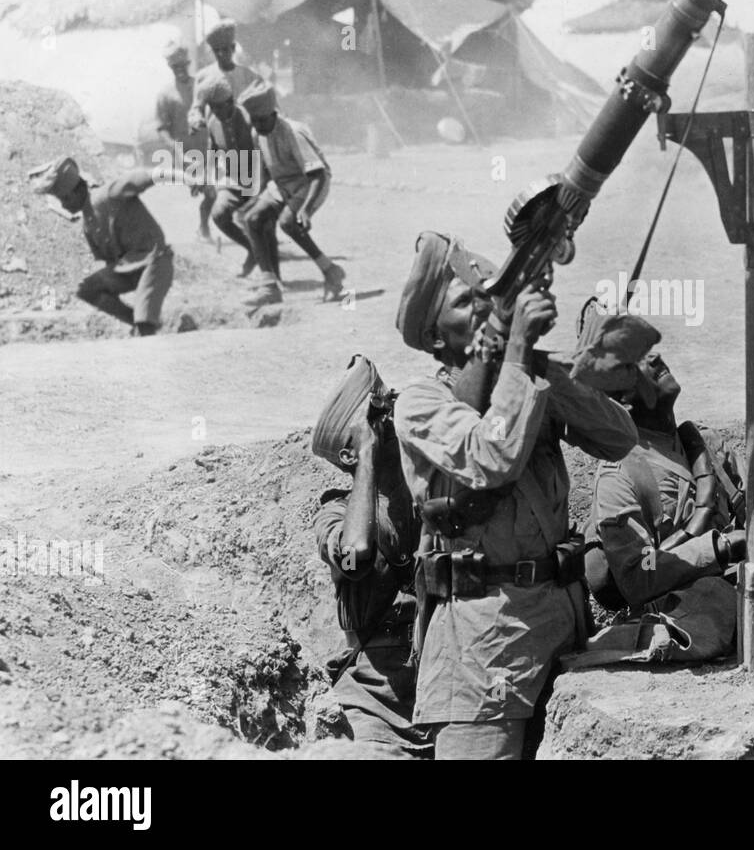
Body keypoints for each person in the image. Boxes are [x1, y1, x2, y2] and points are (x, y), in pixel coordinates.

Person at [391, 231, 639, 759]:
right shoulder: (418, 403)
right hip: (483, 646)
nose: (486, 314)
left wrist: (539, 366)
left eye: (490, 302)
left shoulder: (528, 378)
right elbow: (490, 458)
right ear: (436, 338)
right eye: (466, 303)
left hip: (561, 623)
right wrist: (519, 354)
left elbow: (619, 437)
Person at [585, 337, 754, 628]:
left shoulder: (704, 444)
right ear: (622, 403)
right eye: (637, 362)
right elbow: (637, 575)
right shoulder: (619, 476)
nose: (655, 357)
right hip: (679, 618)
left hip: (745, 597)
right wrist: (721, 547)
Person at [310, 354, 433, 758]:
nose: (388, 421)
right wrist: (367, 454)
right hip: (373, 709)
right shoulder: (337, 514)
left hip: (442, 696)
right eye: (375, 417)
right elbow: (354, 557)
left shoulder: (428, 487)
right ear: (347, 455)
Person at [28, 157, 174, 336]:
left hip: (154, 263)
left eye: (64, 199)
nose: (64, 205)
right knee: (89, 289)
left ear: (75, 192)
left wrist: (192, 179)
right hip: (129, 268)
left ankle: (144, 326)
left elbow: (149, 176)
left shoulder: (109, 194)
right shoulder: (88, 224)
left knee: (144, 320)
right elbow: (105, 264)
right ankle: (138, 325)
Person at [238, 82, 346, 300]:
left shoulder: (293, 132)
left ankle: (330, 270)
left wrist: (305, 210)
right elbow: (267, 172)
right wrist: (254, 197)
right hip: (283, 186)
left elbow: (317, 174)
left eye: (261, 120)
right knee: (252, 219)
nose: (257, 125)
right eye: (254, 120)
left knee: (288, 222)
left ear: (273, 113)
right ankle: (269, 286)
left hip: (310, 184)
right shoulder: (257, 133)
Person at [193, 75, 274, 289]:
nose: (218, 112)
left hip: (260, 178)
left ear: (231, 101)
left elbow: (265, 153)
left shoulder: (248, 118)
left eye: (221, 107)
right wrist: (205, 175)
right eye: (213, 107)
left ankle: (273, 276)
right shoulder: (213, 122)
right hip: (234, 179)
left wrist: (262, 188)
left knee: (262, 221)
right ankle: (252, 251)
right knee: (219, 215)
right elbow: (213, 150)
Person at [155, 38, 215, 240]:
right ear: (170, 67)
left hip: (209, 148)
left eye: (183, 65)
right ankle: (203, 228)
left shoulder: (200, 85)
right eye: (175, 67)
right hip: (187, 154)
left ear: (188, 64)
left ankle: (207, 226)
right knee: (210, 191)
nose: (180, 70)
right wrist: (176, 149)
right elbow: (162, 128)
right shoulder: (165, 94)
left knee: (222, 189)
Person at [187, 19, 263, 133]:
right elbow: (196, 107)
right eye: (217, 51)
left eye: (225, 49)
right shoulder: (204, 77)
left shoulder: (249, 76)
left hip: (247, 139)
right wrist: (196, 120)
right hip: (219, 141)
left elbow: (264, 106)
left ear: (233, 48)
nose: (221, 54)